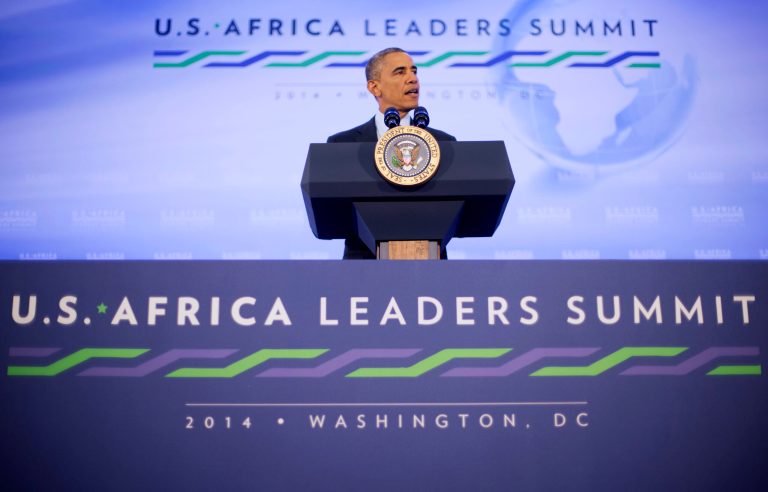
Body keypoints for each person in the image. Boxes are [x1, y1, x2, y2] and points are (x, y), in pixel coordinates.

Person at [327, 47, 456, 259]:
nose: (412, 79)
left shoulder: (443, 143)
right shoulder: (343, 144)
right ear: (374, 87)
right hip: (362, 268)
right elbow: (334, 213)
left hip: (430, 271)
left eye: (414, 71)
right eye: (400, 72)